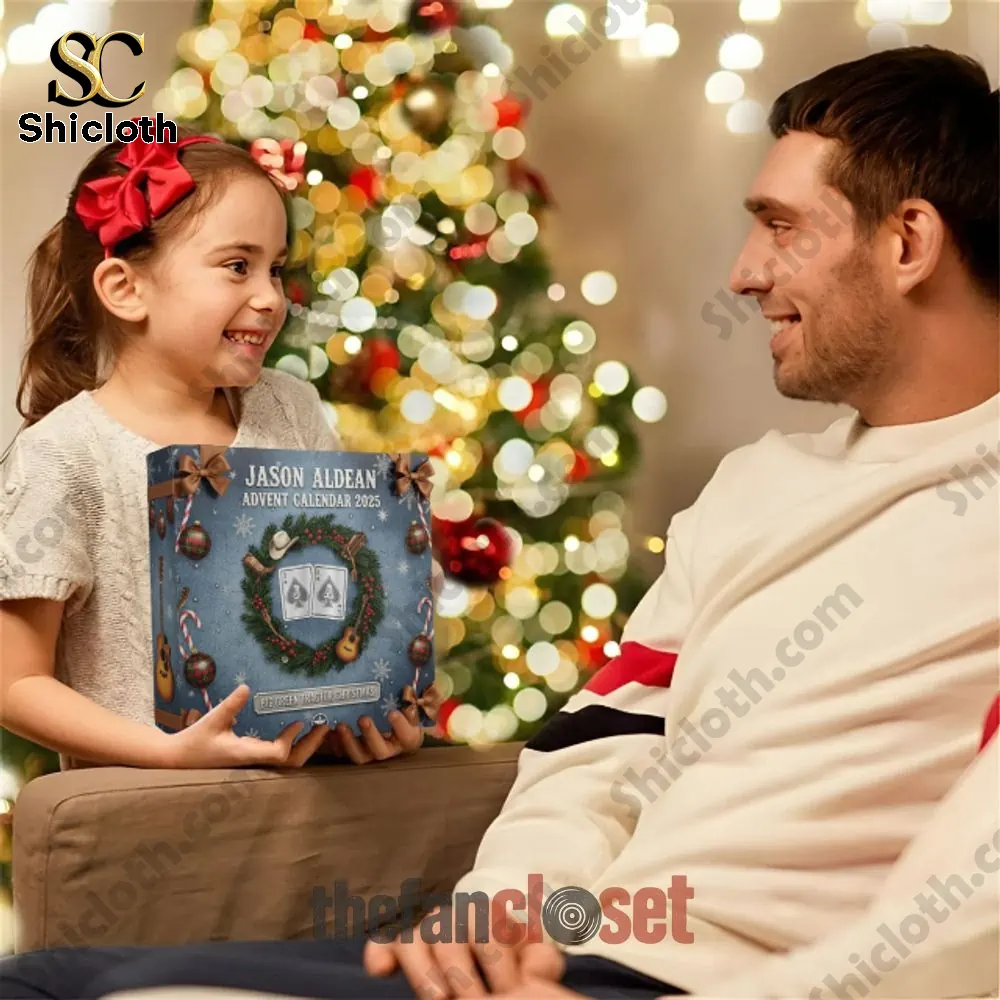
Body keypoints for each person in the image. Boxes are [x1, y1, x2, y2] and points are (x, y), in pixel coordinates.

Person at [1, 42, 998, 1000]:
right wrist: (500, 911)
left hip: (693, 983)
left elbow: (971, 909)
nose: (741, 274)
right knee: (43, 980)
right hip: (568, 955)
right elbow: (600, 745)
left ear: (907, 242)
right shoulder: (755, 485)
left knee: (136, 991)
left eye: (780, 226)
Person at [0, 128, 428, 770]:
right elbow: (14, 684)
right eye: (237, 266)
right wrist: (169, 753)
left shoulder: (290, 408)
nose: (270, 297)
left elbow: (332, 603)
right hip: (147, 829)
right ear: (125, 288)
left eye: (277, 269)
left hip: (299, 823)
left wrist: (375, 714)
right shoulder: (65, 456)